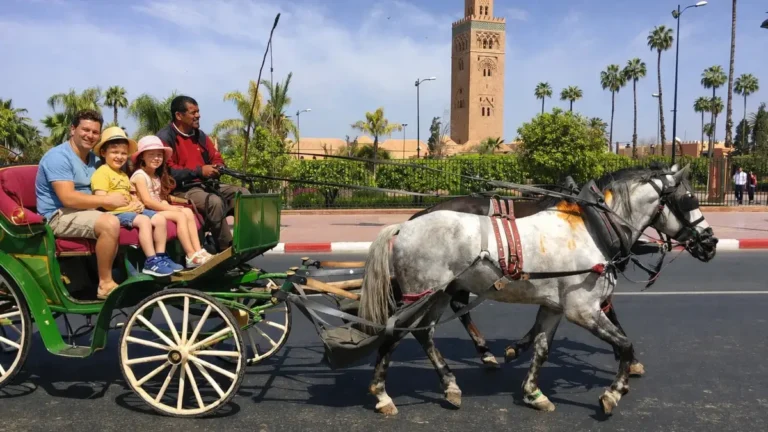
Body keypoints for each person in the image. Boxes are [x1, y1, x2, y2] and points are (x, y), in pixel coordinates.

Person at [35, 110, 127, 299]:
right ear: (73, 129)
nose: (90, 135)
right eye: (85, 130)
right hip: (58, 214)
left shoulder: (94, 160)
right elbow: (68, 198)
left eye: (95, 132)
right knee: (109, 224)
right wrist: (107, 201)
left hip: (87, 211)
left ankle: (133, 272)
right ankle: (105, 283)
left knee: (136, 219)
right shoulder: (58, 157)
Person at [156, 95, 249, 252]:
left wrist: (218, 167)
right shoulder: (165, 137)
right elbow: (168, 172)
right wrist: (200, 171)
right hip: (182, 189)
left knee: (243, 194)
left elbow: (216, 157)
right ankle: (226, 249)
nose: (198, 115)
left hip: (206, 185)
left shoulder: (200, 136)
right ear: (179, 115)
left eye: (198, 111)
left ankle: (245, 243)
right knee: (214, 202)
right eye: (193, 112)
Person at [90, 127, 180, 277]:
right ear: (103, 153)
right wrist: (129, 206)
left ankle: (161, 256)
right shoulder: (102, 173)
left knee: (160, 218)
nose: (119, 156)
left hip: (130, 209)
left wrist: (136, 202)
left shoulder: (123, 175)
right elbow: (103, 201)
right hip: (115, 213)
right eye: (114, 152)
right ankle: (151, 261)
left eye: (123, 153)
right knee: (144, 221)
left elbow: (130, 194)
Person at [130, 135, 213, 268]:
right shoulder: (140, 176)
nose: (156, 158)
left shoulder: (155, 175)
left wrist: (177, 203)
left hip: (156, 208)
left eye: (159, 155)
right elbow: (147, 201)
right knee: (179, 215)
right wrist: (171, 209)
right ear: (142, 157)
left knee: (187, 211)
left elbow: (160, 198)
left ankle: (198, 250)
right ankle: (190, 255)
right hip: (146, 211)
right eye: (151, 155)